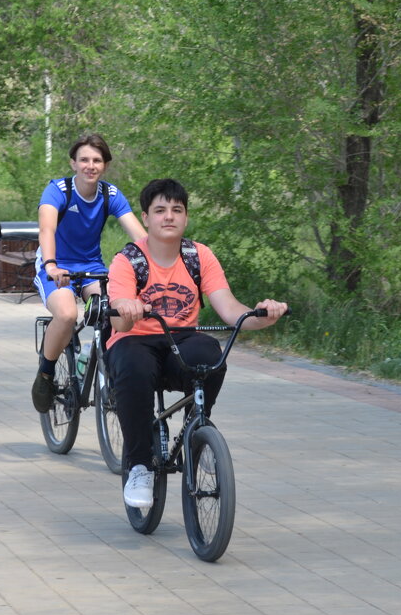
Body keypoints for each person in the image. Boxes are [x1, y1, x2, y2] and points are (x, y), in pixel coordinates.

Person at [106, 178, 287, 509]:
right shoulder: (127, 260)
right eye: (160, 210)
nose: (169, 217)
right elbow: (117, 320)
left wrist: (263, 316)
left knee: (211, 354)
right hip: (134, 339)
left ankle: (196, 433)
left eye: (177, 210)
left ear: (186, 217)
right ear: (145, 218)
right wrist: (128, 309)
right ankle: (140, 466)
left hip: (181, 339)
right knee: (134, 368)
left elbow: (231, 310)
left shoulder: (198, 256)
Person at [31, 134, 147, 413]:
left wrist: (153, 263)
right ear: (73, 163)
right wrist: (50, 264)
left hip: (92, 268)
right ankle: (45, 374)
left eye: (96, 160)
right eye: (84, 159)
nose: (90, 165)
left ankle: (91, 358)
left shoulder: (110, 195)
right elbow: (46, 229)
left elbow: (140, 235)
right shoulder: (58, 190)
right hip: (55, 264)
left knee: (114, 311)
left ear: (105, 165)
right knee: (68, 314)